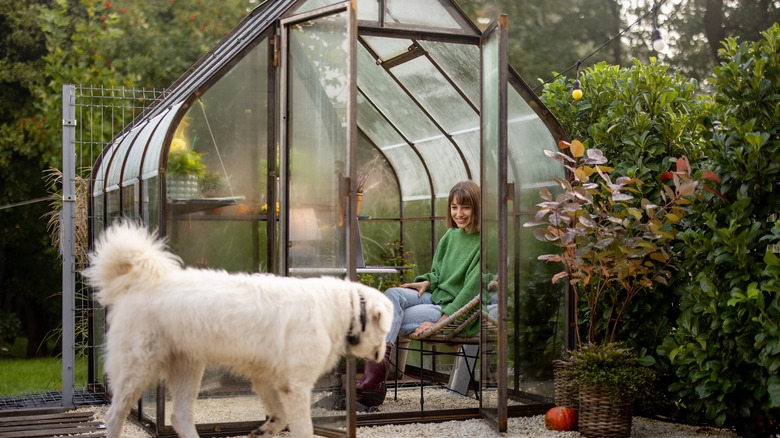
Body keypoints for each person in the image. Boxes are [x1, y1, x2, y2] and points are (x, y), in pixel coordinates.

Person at [356, 180, 487, 407]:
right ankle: (375, 378)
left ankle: (373, 381)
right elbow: (438, 272)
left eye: (465, 207)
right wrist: (428, 281)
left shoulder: (487, 240)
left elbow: (472, 290)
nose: (459, 213)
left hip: (450, 307)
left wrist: (444, 322)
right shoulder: (451, 236)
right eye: (454, 207)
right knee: (391, 296)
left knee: (387, 319)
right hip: (436, 295)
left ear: (477, 207)